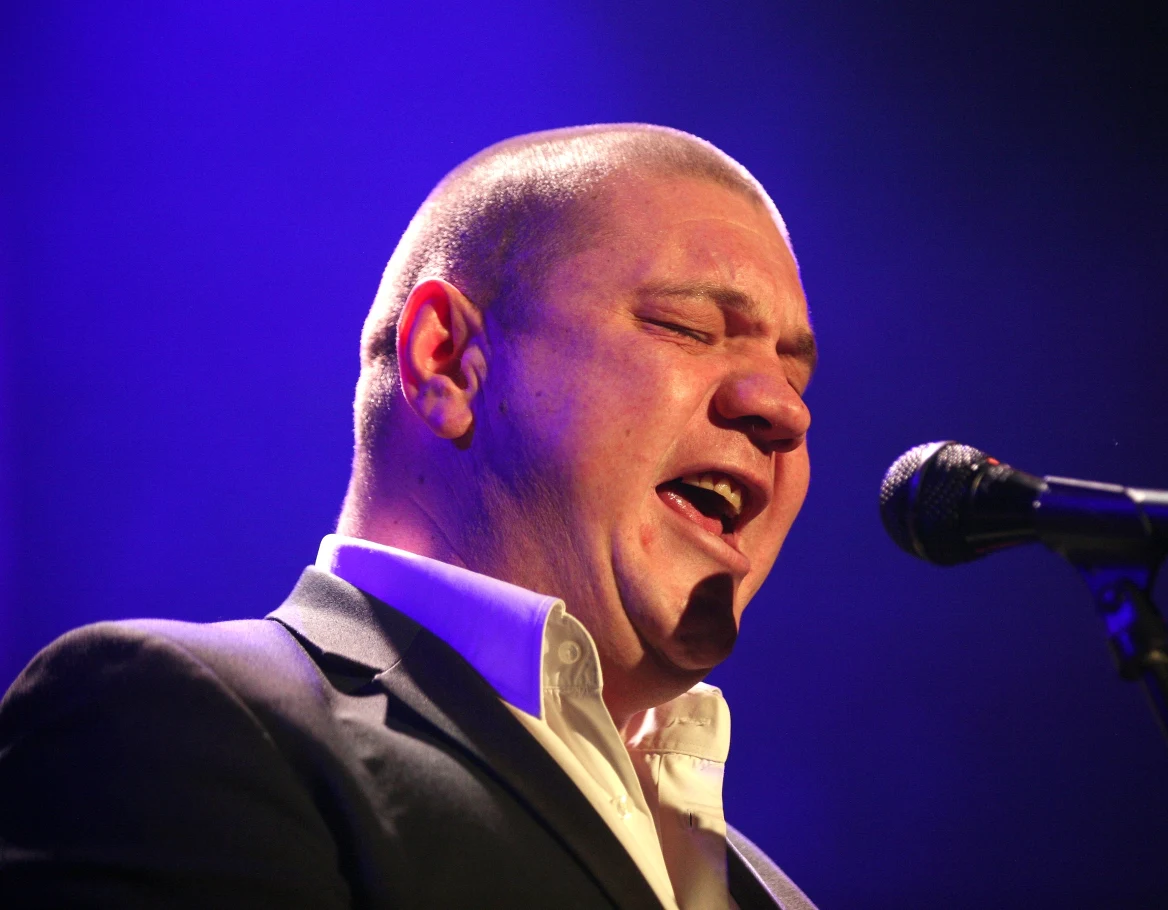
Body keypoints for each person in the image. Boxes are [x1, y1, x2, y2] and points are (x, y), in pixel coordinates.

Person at [0, 124, 818, 909]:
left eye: (797, 376)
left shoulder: (772, 891)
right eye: (689, 328)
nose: (785, 410)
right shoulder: (179, 725)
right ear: (447, 361)